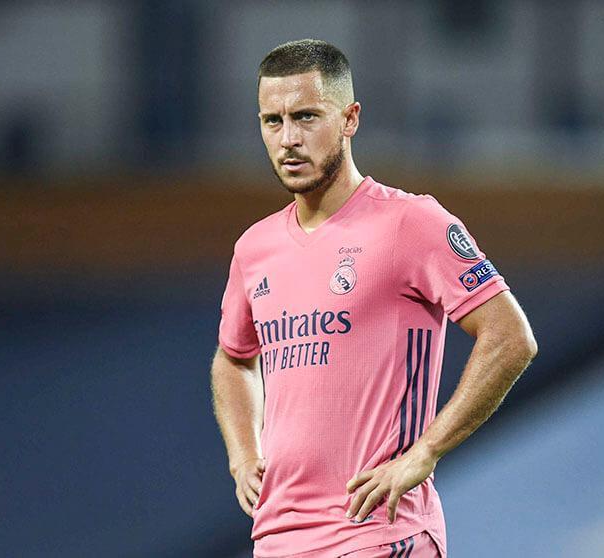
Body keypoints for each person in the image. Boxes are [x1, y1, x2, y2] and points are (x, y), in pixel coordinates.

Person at [210, 39, 537, 558]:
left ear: (350, 118)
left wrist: (426, 450)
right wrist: (243, 454)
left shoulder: (411, 222)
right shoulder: (255, 248)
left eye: (306, 116)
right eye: (273, 121)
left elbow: (510, 336)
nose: (289, 138)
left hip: (378, 532)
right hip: (278, 539)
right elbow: (234, 358)